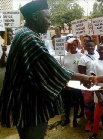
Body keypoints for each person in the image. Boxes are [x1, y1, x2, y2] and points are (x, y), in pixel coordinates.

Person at [0, 1, 92, 139]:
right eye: (48, 17)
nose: (50, 22)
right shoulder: (28, 38)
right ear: (36, 16)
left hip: (27, 104)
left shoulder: (24, 34)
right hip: (30, 107)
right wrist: (83, 78)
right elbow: (52, 69)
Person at [61, 38, 84, 127]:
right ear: (68, 46)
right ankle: (67, 118)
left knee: (76, 102)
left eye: (74, 44)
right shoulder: (64, 56)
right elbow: (62, 70)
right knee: (66, 102)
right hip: (66, 83)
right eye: (70, 45)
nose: (72, 46)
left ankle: (75, 119)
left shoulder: (80, 56)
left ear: (77, 45)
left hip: (77, 83)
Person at [78, 40, 99, 131]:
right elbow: (82, 73)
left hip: (99, 83)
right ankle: (89, 122)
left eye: (92, 46)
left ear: (94, 46)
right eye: (88, 46)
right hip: (88, 85)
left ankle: (97, 122)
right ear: (85, 47)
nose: (90, 48)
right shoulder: (83, 58)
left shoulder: (99, 54)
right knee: (88, 105)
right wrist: (84, 88)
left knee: (98, 104)